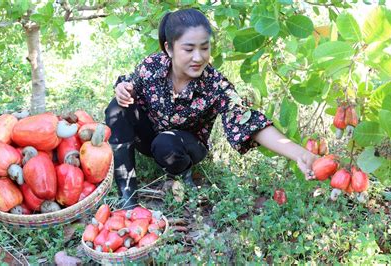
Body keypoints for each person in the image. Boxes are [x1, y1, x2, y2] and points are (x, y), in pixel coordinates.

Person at [105, 8, 318, 209]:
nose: (198, 57)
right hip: (150, 137)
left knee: (166, 143)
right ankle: (128, 196)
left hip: (185, 144)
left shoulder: (215, 85)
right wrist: (123, 89)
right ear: (169, 48)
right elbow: (130, 85)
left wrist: (300, 153)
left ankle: (184, 172)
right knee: (117, 108)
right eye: (189, 49)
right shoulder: (152, 66)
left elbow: (248, 121)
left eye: (204, 48)